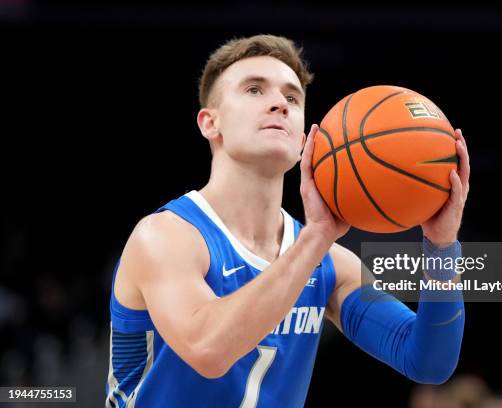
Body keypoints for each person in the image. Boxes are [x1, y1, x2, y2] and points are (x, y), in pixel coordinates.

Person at [105, 34, 470, 408]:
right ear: (209, 123)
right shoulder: (165, 237)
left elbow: (427, 362)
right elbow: (208, 348)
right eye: (254, 90)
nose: (279, 103)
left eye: (292, 98)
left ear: (303, 140)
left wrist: (441, 246)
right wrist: (315, 241)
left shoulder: (330, 265)